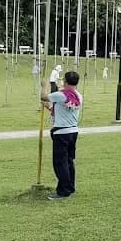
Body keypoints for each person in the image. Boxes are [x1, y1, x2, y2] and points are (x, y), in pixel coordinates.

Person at [41, 71, 82, 200]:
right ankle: (70, 187)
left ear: (65, 81)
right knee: (69, 161)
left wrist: (44, 86)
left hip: (61, 133)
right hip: (73, 132)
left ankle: (63, 191)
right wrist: (49, 107)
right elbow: (65, 110)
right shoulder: (78, 96)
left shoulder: (61, 95)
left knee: (60, 163)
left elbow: (43, 97)